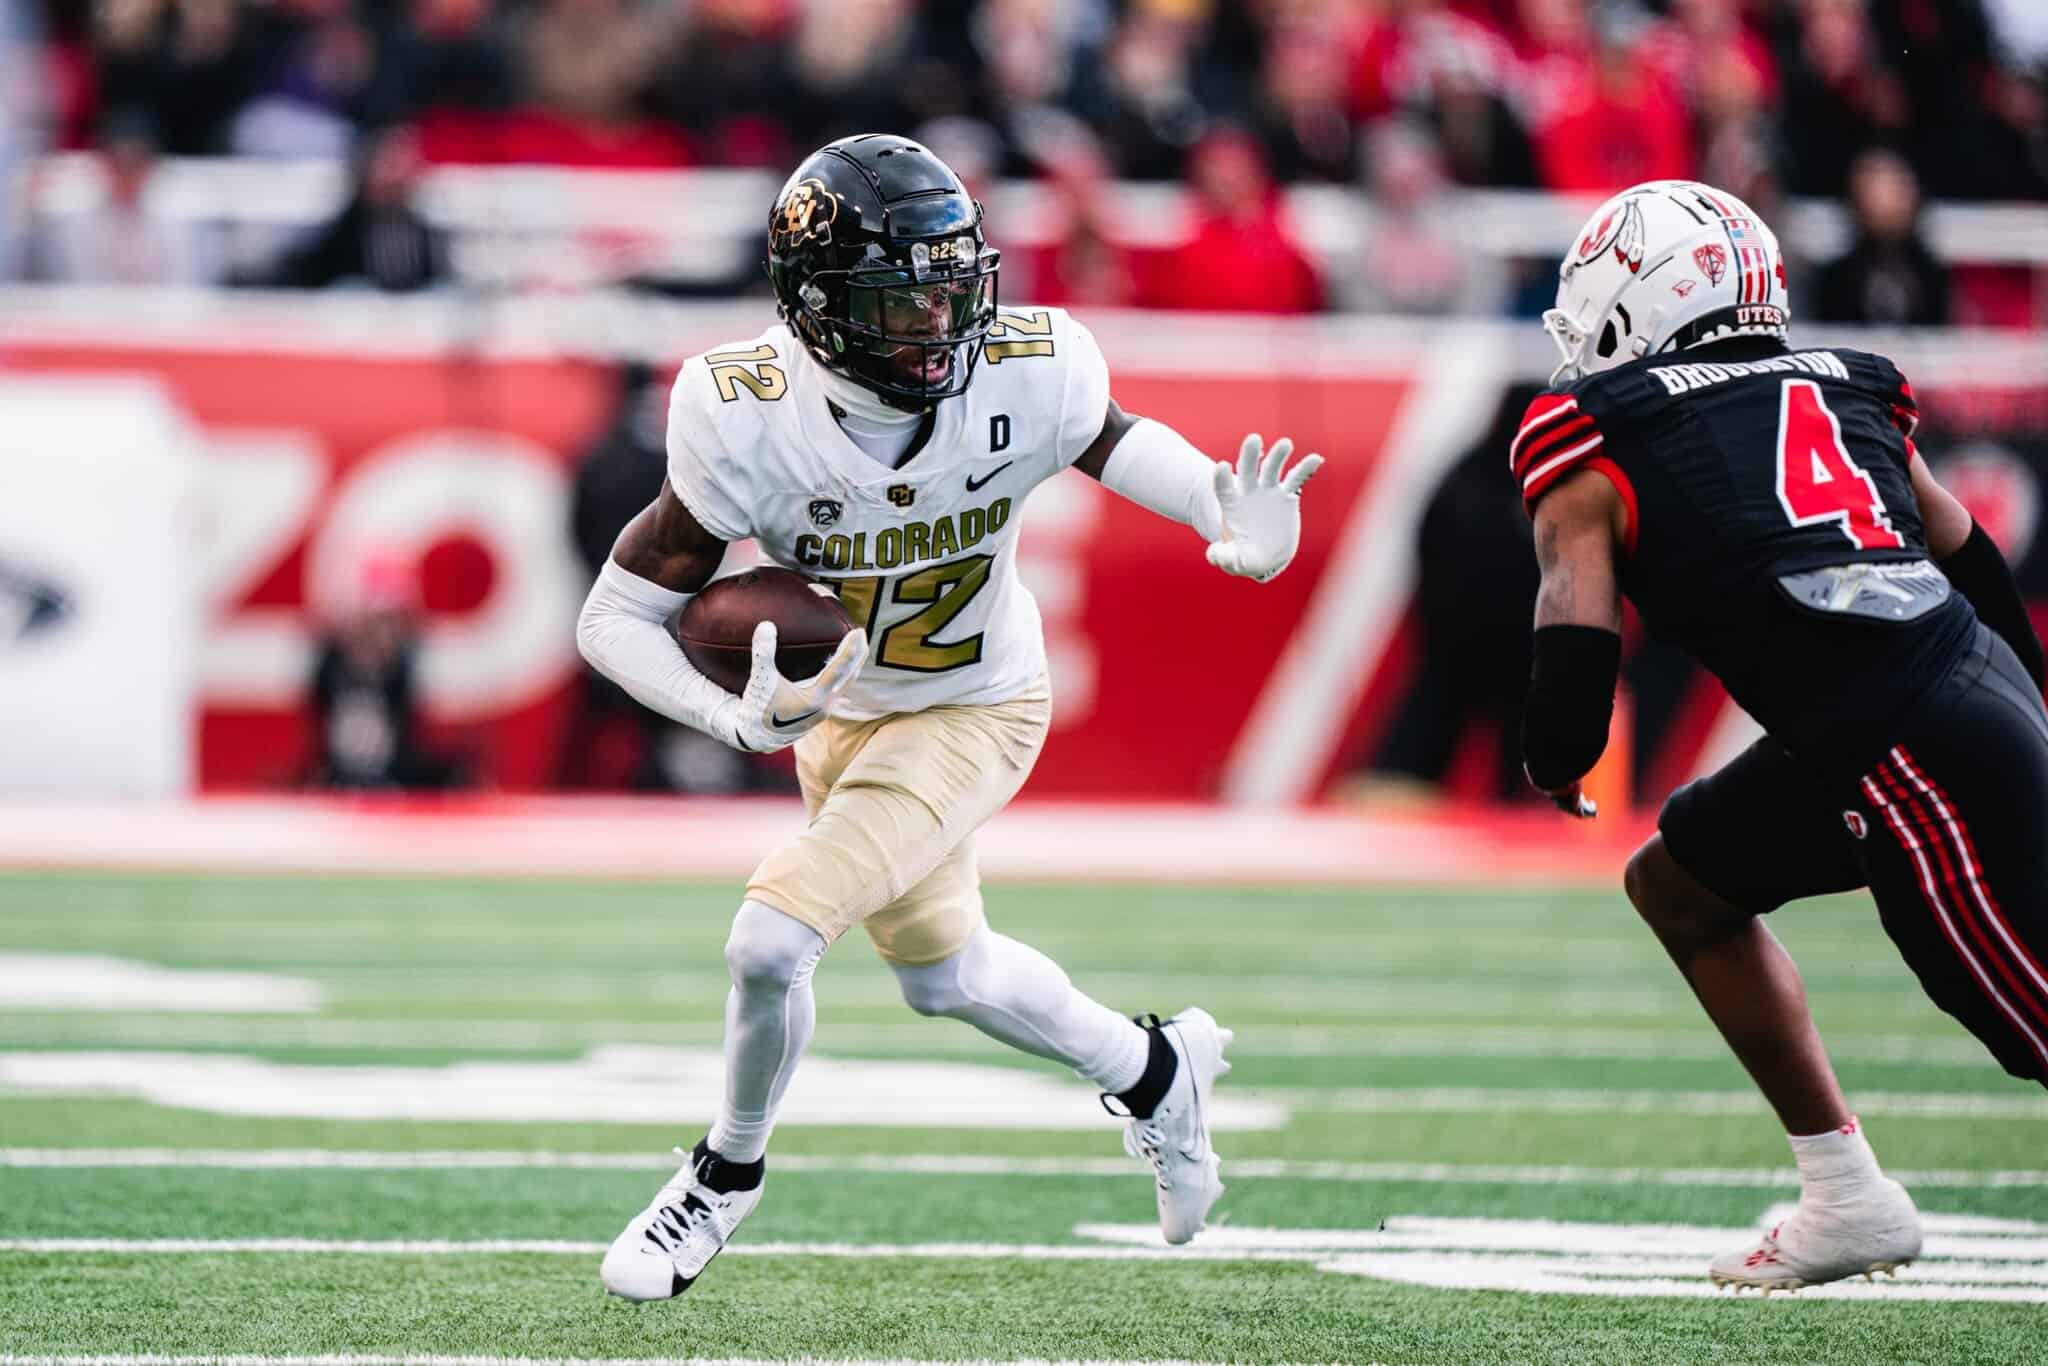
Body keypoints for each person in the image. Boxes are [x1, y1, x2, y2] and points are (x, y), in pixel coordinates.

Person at [575, 133, 1321, 1301]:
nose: (938, 323)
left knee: (770, 940)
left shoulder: (1029, 365)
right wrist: (733, 721)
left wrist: (1217, 502)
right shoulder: (741, 409)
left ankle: (720, 1178)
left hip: (975, 705)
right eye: (901, 301)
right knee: (945, 973)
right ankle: (1155, 1070)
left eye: (948, 287)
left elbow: (1112, 438)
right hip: (844, 714)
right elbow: (614, 617)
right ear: (820, 312)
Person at [1513, 180, 2048, 1292]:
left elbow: (1574, 625)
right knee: (1683, 882)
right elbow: (1967, 555)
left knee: (2029, 1019)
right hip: (1944, 689)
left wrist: (1554, 758)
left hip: (1900, 746)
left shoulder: (1593, 430)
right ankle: (1846, 1196)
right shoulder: (1847, 382)